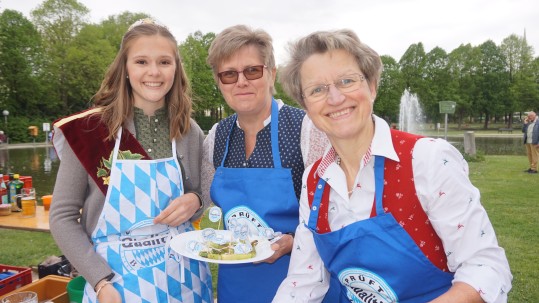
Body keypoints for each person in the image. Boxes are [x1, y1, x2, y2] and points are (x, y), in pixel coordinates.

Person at [273, 29, 512, 303]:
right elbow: (304, 281)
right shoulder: (314, 178)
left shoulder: (427, 158)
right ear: (305, 105)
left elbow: (486, 267)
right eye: (317, 89)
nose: (335, 98)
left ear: (372, 86)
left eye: (347, 81)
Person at [50, 19, 213, 303]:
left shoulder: (190, 130)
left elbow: (203, 202)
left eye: (164, 62)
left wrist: (196, 200)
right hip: (117, 286)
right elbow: (62, 218)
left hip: (186, 280)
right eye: (141, 61)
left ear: (176, 69)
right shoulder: (89, 131)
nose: (154, 72)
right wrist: (100, 281)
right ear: (124, 68)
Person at [201, 25, 329, 303]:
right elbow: (206, 206)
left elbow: (336, 215)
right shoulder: (216, 137)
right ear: (219, 81)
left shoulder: (306, 129)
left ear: (271, 73)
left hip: (299, 281)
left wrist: (294, 242)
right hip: (234, 283)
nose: (241, 82)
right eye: (229, 74)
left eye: (252, 71)